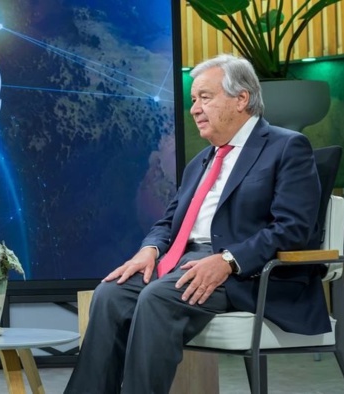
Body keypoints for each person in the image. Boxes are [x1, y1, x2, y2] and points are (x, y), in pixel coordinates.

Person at [65, 54, 328, 393]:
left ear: (241, 99)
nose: (194, 109)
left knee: (157, 298)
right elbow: (170, 221)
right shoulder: (202, 160)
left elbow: (293, 228)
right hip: (181, 262)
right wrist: (149, 249)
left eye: (205, 97)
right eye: (193, 100)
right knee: (110, 294)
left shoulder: (287, 147)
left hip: (243, 274)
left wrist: (228, 260)